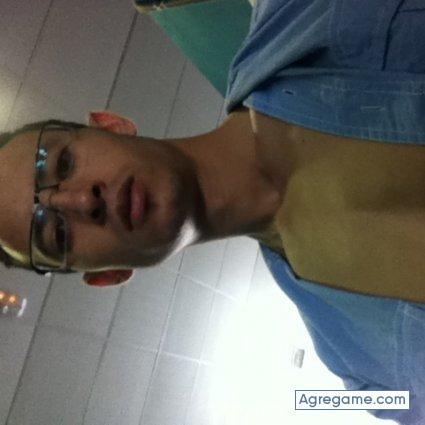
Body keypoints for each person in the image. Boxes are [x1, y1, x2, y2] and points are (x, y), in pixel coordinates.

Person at [1, 0, 424, 422]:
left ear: (110, 124)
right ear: (108, 274)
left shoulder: (301, 11)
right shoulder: (364, 372)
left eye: (62, 164)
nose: (82, 201)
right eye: (56, 233)